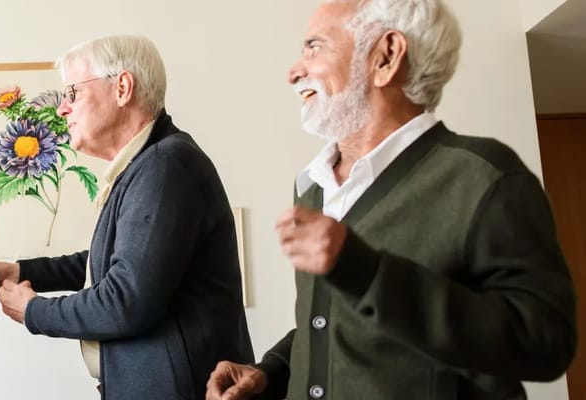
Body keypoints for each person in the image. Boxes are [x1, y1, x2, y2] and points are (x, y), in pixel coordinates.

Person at [206, 1, 576, 399]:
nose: (294, 71)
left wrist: (366, 270)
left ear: (386, 56)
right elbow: (334, 323)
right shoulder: (311, 188)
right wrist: (271, 373)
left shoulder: (485, 176)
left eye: (315, 47)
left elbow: (544, 342)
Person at [0, 35, 253, 399]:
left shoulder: (165, 165)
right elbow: (110, 265)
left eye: (72, 93)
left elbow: (126, 299)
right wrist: (21, 273)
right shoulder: (147, 165)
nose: (62, 108)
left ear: (122, 88)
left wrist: (33, 311)